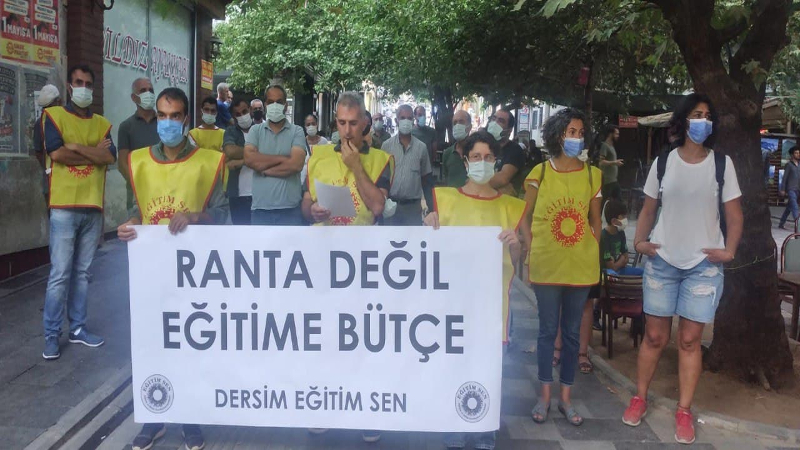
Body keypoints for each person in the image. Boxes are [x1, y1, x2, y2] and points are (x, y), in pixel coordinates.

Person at [623, 93, 742, 445]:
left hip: (703, 266)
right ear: (683, 120)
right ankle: (639, 397)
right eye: (695, 114)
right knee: (654, 337)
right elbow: (648, 208)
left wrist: (729, 251)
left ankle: (684, 410)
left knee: (690, 341)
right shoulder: (664, 162)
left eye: (707, 115)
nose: (702, 120)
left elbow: (735, 215)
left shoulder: (721, 164)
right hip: (662, 262)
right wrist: (639, 242)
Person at [117, 87, 227, 450]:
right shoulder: (139, 162)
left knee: (191, 345)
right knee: (152, 343)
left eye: (174, 116)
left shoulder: (209, 162)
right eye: (161, 116)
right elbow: (137, 211)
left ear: (186, 119)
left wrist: (195, 217)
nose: (167, 122)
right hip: (152, 271)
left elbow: (223, 216)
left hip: (195, 274)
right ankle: (154, 417)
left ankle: (190, 417)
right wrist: (128, 225)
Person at [423, 130, 524, 450]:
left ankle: (483, 431)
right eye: (476, 157)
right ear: (465, 162)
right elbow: (428, 255)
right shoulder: (444, 201)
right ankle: (454, 428)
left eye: (489, 157)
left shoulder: (510, 207)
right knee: (454, 365)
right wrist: (428, 226)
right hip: (452, 306)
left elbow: (515, 262)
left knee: (488, 369)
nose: (483, 162)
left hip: (492, 307)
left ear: (497, 162)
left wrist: (516, 245)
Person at [303, 93, 393, 444]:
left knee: (363, 338)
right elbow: (305, 202)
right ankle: (325, 403)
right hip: (322, 258)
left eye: (353, 123)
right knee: (324, 336)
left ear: (365, 123)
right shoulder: (318, 156)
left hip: (363, 262)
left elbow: (378, 206)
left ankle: (367, 409)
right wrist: (312, 211)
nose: (347, 130)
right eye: (341, 123)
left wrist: (356, 167)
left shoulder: (382, 159)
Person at [522, 107, 602, 427]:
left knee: (571, 335)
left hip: (580, 267)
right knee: (546, 332)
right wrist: (532, 249)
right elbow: (524, 218)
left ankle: (565, 399)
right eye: (571, 132)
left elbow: (595, 221)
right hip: (547, 265)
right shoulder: (539, 173)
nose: (577, 138)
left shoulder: (592, 175)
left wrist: (591, 248)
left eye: (581, 133)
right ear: (557, 135)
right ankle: (544, 396)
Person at [41, 65, 117, 359]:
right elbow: (56, 153)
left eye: (88, 83)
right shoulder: (53, 116)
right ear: (69, 86)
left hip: (92, 207)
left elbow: (108, 157)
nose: (83, 87)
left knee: (82, 273)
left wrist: (76, 146)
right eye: (78, 82)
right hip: (63, 206)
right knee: (60, 273)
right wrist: (92, 151)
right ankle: (51, 334)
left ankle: (78, 328)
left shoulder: (102, 124)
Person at [244, 85, 306, 225]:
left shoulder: (297, 131)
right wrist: (284, 158)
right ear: (265, 105)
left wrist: (264, 169)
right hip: (260, 210)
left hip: (291, 210)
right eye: (271, 102)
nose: (275, 105)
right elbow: (249, 159)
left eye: (279, 101)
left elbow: (296, 165)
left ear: (285, 105)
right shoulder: (255, 131)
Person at [381, 104, 434, 225]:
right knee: (390, 236)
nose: (406, 121)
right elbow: (381, 179)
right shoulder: (386, 146)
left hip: (413, 209)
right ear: (396, 120)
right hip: (391, 207)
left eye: (409, 118)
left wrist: (431, 208)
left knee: (413, 236)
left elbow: (426, 180)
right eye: (402, 118)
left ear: (413, 120)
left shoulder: (421, 148)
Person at [118, 77, 159, 212]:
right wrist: (137, 185)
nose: (149, 94)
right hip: (137, 195)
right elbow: (122, 163)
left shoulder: (164, 123)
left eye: (151, 90)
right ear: (134, 98)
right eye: (143, 90)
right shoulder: (126, 126)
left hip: (164, 192)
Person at [223, 98, 256, 225]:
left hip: (260, 194)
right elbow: (230, 151)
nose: (242, 116)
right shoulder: (230, 131)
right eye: (238, 114)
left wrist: (240, 162)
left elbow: (269, 153)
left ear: (250, 110)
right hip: (237, 195)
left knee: (261, 233)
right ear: (234, 116)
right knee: (240, 233)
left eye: (244, 111)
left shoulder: (261, 129)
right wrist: (257, 153)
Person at [488, 109, 526, 196]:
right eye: (493, 118)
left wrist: (474, 183)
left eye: (501, 121)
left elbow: (502, 179)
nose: (495, 123)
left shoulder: (514, 150)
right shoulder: (483, 147)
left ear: (509, 130)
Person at [33, 84, 61, 201]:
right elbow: (38, 152)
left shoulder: (65, 121)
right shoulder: (39, 124)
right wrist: (48, 168)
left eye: (50, 107)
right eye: (45, 108)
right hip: (51, 176)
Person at [441, 110, 472, 188]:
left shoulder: (477, 152)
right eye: (455, 123)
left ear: (469, 127)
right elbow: (446, 180)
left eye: (461, 122)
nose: (457, 125)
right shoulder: (447, 153)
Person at [302, 113, 329, 186]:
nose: (311, 126)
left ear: (317, 124)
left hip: (321, 181)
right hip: (305, 181)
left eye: (313, 124)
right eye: (308, 124)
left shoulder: (324, 141)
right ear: (305, 127)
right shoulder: (301, 143)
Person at [598, 124, 623, 201]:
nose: (618, 136)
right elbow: (601, 162)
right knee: (604, 202)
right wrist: (615, 162)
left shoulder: (611, 146)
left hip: (613, 180)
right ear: (610, 134)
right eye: (616, 134)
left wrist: (615, 162)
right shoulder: (605, 146)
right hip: (607, 181)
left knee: (618, 202)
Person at [779, 146, 800, 230]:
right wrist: (782, 189)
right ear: (792, 154)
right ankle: (798, 226)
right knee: (795, 207)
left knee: (789, 208)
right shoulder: (789, 165)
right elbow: (784, 178)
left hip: (798, 189)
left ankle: (781, 223)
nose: (798, 154)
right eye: (796, 153)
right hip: (791, 189)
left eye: (799, 153)